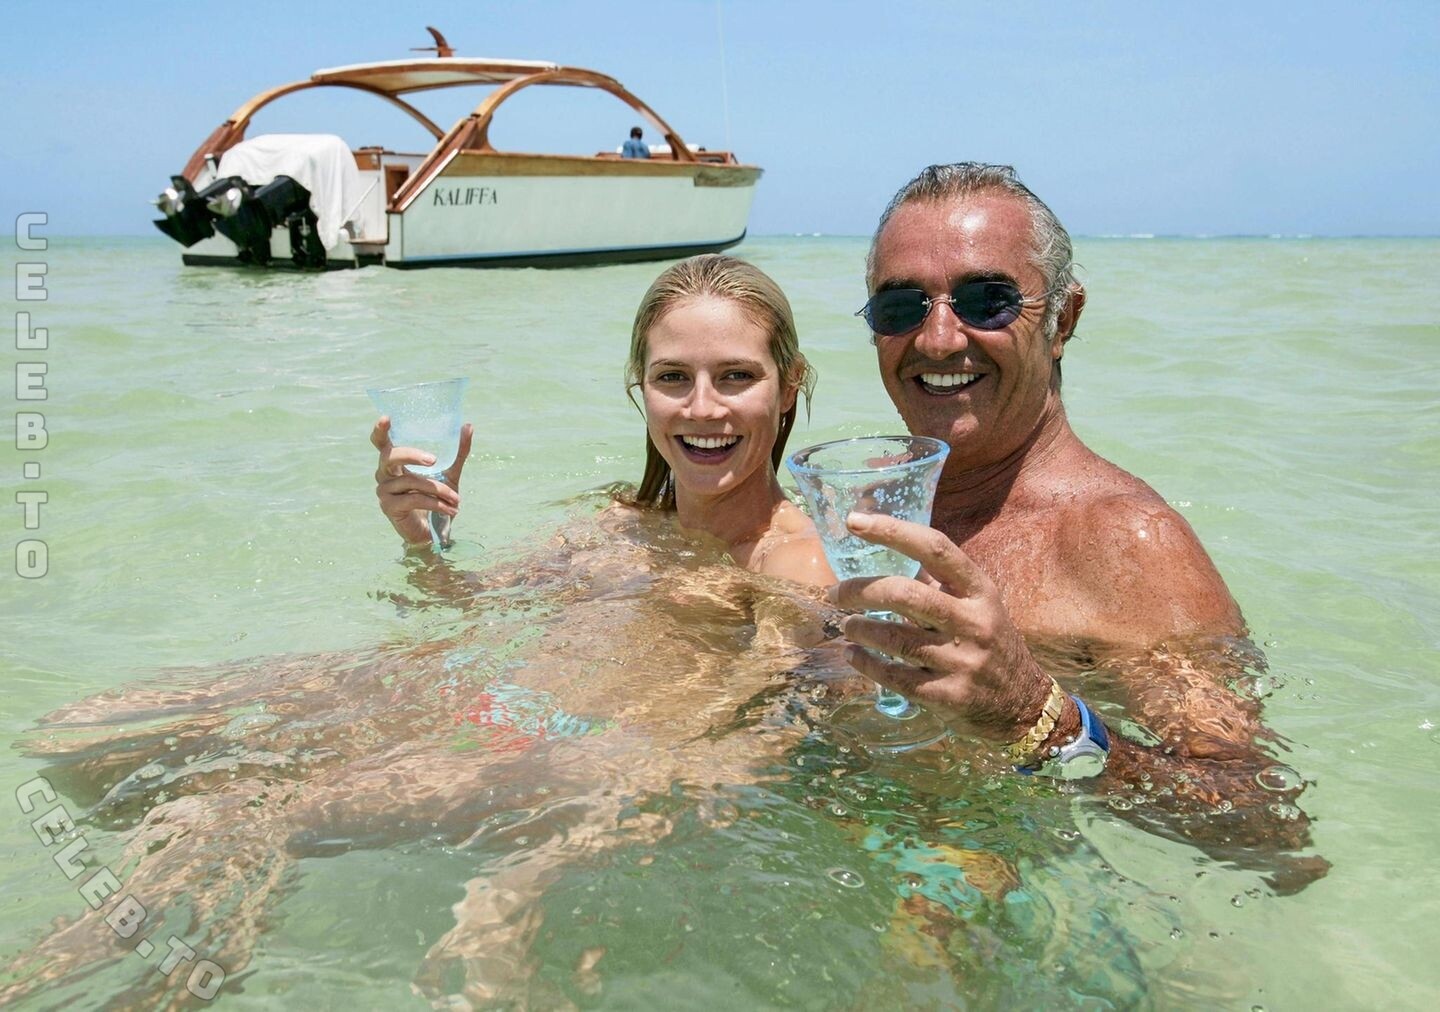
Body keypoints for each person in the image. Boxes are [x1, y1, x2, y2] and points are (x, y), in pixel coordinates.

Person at [834, 163, 1324, 887]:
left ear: (1062, 320)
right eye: (901, 306)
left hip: (1020, 907)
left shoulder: (1124, 541)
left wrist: (1038, 717)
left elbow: (1267, 829)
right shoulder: (870, 500)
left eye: (987, 300)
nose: (937, 339)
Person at [372, 253, 832, 587]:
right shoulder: (621, 525)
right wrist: (425, 539)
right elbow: (467, 613)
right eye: (672, 376)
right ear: (641, 385)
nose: (701, 408)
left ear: (789, 385)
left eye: (737, 375)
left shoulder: (795, 565)